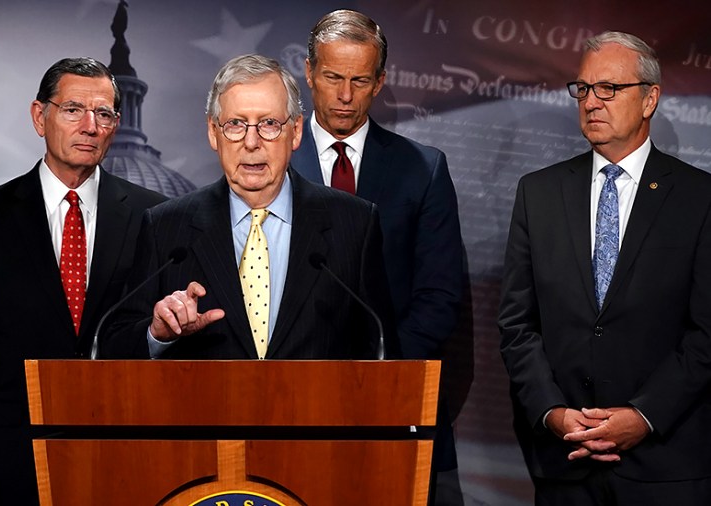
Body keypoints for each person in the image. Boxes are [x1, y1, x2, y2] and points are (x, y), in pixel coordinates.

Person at [0, 57, 166, 505]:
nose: (90, 126)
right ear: (39, 117)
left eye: (103, 114)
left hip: (125, 462)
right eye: (73, 110)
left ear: (116, 125)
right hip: (13, 466)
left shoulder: (154, 217)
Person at [499, 31, 711, 505]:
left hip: (665, 467)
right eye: (583, 88)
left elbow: (706, 334)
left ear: (650, 98)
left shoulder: (700, 199)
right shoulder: (539, 194)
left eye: (609, 89)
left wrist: (644, 416)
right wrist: (552, 411)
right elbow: (517, 325)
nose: (592, 101)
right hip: (564, 464)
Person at [107, 54, 399, 361]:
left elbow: (381, 351)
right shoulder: (164, 227)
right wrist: (157, 335)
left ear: (296, 131)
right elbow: (118, 347)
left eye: (269, 124)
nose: (251, 142)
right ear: (212, 132)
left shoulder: (354, 223)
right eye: (235, 124)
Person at [290, 9, 464, 503]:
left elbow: (439, 295)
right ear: (308, 72)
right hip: (289, 401)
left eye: (360, 80)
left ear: (381, 81)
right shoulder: (270, 161)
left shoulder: (423, 169)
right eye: (332, 78)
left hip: (394, 400)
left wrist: (375, 376)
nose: (345, 95)